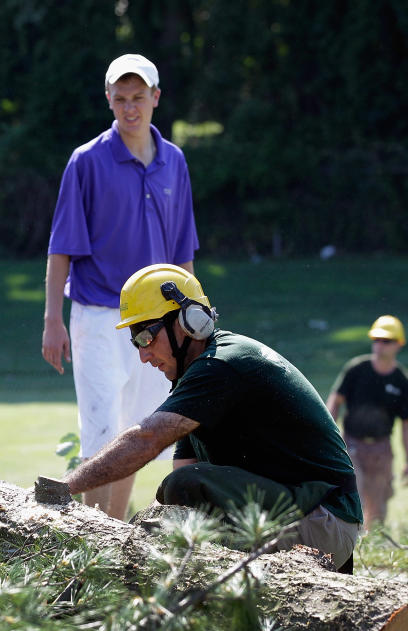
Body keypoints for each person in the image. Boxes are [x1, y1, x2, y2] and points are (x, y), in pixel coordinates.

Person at [55, 263, 362, 571]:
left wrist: (61, 489)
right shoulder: (196, 378)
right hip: (299, 513)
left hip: (323, 521)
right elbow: (182, 482)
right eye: (135, 341)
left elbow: (146, 440)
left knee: (185, 485)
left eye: (146, 337)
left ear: (190, 321)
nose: (143, 355)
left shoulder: (223, 364)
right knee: (177, 504)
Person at [41, 53, 199, 519]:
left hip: (159, 320)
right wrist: (52, 319)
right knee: (100, 433)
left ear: (156, 98)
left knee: (139, 430)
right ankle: (95, 541)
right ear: (108, 100)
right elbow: (61, 247)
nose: (130, 108)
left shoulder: (174, 161)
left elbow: (183, 248)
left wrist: (192, 315)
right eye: (121, 98)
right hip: (99, 314)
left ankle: (112, 532)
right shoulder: (86, 161)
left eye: (139, 97)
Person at [326, 315, 408, 528]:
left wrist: (407, 458)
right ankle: (353, 543)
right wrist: (327, 433)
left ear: (399, 344)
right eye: (376, 340)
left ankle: (373, 545)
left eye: (386, 341)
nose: (379, 345)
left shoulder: (400, 379)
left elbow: (406, 424)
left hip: (382, 449)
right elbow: (335, 401)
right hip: (352, 444)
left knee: (379, 507)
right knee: (356, 494)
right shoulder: (357, 369)